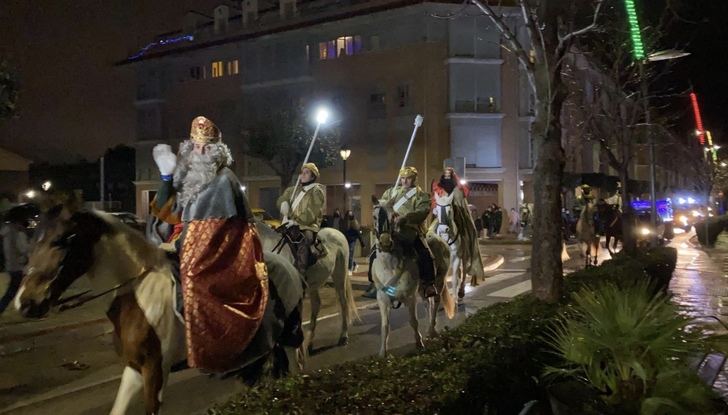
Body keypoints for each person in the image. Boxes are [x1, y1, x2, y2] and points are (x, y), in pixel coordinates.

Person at [149, 116, 268, 372]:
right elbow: (162, 211)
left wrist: (183, 245)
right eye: (196, 146)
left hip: (216, 250)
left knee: (192, 277)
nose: (200, 150)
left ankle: (209, 347)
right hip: (180, 238)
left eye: (206, 146)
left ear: (216, 150)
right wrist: (166, 178)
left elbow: (223, 230)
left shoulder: (225, 179)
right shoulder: (186, 175)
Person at [378, 166, 437, 298]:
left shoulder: (421, 195)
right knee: (375, 251)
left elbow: (422, 212)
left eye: (408, 178)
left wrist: (406, 218)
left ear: (414, 178)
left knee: (424, 253)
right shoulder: (391, 192)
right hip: (391, 230)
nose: (404, 181)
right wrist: (388, 210)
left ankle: (428, 284)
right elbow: (382, 204)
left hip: (411, 230)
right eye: (402, 178)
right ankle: (374, 281)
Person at [431, 167, 485, 282]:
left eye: (449, 174)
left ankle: (469, 255)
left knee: (470, 230)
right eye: (445, 174)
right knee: (429, 233)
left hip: (457, 213)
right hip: (442, 214)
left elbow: (462, 197)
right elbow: (434, 200)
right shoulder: (438, 188)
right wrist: (435, 208)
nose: (446, 176)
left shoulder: (458, 188)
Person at [277, 163, 326, 276]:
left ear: (313, 177)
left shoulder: (316, 191)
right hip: (288, 224)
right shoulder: (292, 190)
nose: (302, 175)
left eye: (306, 173)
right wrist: (283, 203)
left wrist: (296, 221)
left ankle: (301, 273)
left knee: (303, 240)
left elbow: (311, 212)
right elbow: (282, 198)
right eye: (302, 173)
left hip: (307, 225)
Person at [0, 210, 29, 315]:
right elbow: (23, 249)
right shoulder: (18, 233)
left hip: (10, 264)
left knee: (14, 289)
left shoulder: (6, 231)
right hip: (19, 265)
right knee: (14, 290)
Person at [343, 210, 365, 276]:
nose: (349, 216)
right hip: (347, 240)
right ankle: (355, 264)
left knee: (350, 255)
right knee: (349, 255)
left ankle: (350, 269)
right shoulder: (347, 222)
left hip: (352, 241)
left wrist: (362, 243)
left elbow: (358, 234)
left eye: (350, 214)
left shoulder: (354, 222)